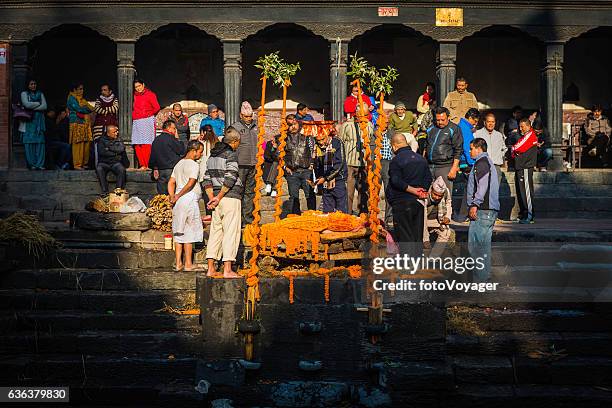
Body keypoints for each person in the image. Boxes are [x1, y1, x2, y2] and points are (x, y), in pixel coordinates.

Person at [202, 128, 243, 278]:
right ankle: (227, 269)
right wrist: (218, 197)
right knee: (231, 232)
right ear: (234, 141)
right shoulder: (230, 155)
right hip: (229, 197)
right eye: (238, 142)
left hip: (217, 200)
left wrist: (212, 197)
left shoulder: (212, 157)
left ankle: (211, 268)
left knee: (216, 232)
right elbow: (231, 177)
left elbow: (206, 179)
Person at [387, 132, 432, 255]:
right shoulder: (421, 159)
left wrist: (413, 190)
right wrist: (422, 190)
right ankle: (417, 263)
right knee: (417, 235)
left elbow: (396, 181)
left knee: (405, 236)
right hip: (418, 202)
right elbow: (428, 178)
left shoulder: (396, 161)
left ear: (394, 146)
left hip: (401, 202)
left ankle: (407, 267)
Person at [169, 140, 205, 272]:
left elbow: (171, 182)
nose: (201, 155)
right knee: (189, 231)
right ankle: (188, 263)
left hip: (178, 202)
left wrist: (172, 196)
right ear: (194, 151)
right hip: (188, 199)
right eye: (200, 152)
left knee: (179, 231)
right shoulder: (193, 164)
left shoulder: (178, 164)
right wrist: (177, 196)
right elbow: (191, 183)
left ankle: (178, 263)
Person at [466, 138, 499, 282]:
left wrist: (475, 204)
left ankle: (480, 279)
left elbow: (483, 186)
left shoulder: (482, 163)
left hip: (483, 210)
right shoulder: (485, 162)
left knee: (476, 246)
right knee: (483, 246)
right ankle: (484, 277)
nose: (469, 151)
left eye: (471, 148)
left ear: (479, 149)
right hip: (487, 210)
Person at [423, 107, 463, 210]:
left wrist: (454, 168)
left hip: (445, 166)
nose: (440, 122)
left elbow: (458, 150)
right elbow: (425, 146)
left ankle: (444, 221)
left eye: (442, 120)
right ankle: (430, 219)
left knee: (445, 195)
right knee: (429, 194)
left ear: (448, 118)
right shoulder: (431, 128)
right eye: (438, 120)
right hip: (430, 165)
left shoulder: (454, 129)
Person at [339, 104, 372, 214]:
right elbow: (340, 142)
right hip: (350, 162)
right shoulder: (347, 125)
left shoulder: (370, 125)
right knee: (349, 191)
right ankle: (347, 213)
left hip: (364, 163)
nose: (364, 117)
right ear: (356, 114)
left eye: (366, 115)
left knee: (364, 191)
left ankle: (362, 213)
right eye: (362, 115)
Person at [231, 101, 258, 226]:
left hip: (253, 164)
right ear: (241, 115)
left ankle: (247, 219)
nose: (248, 119)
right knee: (238, 192)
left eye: (250, 116)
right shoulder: (235, 127)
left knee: (250, 192)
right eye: (246, 116)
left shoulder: (257, 127)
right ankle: (237, 218)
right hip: (240, 164)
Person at [282, 114, 315, 215]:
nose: (293, 126)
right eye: (290, 124)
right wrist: (284, 167)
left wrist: (312, 164)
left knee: (310, 194)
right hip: (292, 172)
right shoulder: (283, 139)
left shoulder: (307, 138)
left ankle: (312, 216)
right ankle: (296, 217)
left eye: (295, 124)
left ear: (298, 124)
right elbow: (278, 155)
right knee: (293, 196)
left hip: (306, 171)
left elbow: (314, 151)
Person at [310, 126, 348, 213]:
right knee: (327, 209)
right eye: (318, 140)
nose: (321, 142)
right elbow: (318, 164)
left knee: (341, 208)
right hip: (325, 181)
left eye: (323, 139)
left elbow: (340, 163)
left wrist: (327, 178)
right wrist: (320, 178)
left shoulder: (337, 142)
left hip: (338, 178)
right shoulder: (317, 146)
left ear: (327, 135)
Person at [455, 108, 480, 222]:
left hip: (465, 161)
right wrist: (472, 162)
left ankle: (464, 214)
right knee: (470, 189)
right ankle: (463, 214)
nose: (476, 123)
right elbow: (467, 147)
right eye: (475, 121)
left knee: (469, 188)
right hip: (467, 162)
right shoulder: (465, 129)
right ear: (471, 118)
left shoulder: (463, 126)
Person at [512, 118, 538, 224]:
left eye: (522, 126)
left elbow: (517, 147)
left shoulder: (530, 135)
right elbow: (516, 149)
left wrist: (514, 151)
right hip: (521, 166)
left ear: (528, 126)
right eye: (519, 126)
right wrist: (514, 151)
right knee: (521, 191)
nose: (520, 128)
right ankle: (523, 213)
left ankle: (529, 215)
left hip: (526, 166)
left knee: (526, 191)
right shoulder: (525, 136)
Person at [150, 120, 185, 195]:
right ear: (169, 128)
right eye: (174, 128)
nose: (175, 130)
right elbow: (182, 150)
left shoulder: (156, 140)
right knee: (172, 193)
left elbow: (153, 156)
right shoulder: (171, 139)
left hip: (160, 170)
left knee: (162, 195)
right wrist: (178, 139)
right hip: (171, 170)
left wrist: (155, 168)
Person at [132, 78, 160, 170]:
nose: (138, 88)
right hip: (136, 120)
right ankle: (142, 164)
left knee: (147, 143)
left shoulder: (150, 95)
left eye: (139, 86)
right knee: (137, 143)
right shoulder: (133, 96)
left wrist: (147, 114)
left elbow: (156, 107)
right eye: (135, 87)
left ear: (143, 85)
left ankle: (148, 164)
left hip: (147, 120)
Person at [19, 79, 47, 170]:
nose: (33, 85)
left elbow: (45, 106)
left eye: (35, 84)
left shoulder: (40, 93)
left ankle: (40, 164)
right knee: (29, 143)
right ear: (28, 85)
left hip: (39, 123)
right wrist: (38, 103)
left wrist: (32, 107)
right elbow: (26, 105)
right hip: (28, 122)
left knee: (40, 143)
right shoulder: (24, 94)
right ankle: (32, 164)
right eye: (31, 84)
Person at [474, 112, 507, 187]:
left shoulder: (499, 135)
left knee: (494, 191)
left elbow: (504, 148)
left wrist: (499, 156)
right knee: (482, 191)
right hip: (482, 166)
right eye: (489, 121)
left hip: (495, 166)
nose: (491, 124)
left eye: (493, 122)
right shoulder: (477, 134)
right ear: (484, 122)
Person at [423, 176, 452, 257]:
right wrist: (425, 239)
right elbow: (423, 218)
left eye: (440, 196)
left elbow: (448, 202)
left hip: (437, 219)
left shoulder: (446, 192)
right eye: (435, 194)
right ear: (431, 190)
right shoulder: (425, 195)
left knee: (446, 232)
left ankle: (433, 258)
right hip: (424, 220)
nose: (437, 197)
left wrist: (448, 217)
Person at [67, 82, 94, 170]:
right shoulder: (71, 98)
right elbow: (78, 108)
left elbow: (91, 108)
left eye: (82, 89)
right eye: (80, 89)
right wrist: (86, 109)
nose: (82, 91)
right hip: (76, 123)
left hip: (84, 124)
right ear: (74, 90)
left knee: (85, 143)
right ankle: (77, 164)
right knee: (78, 143)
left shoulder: (83, 100)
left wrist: (85, 109)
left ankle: (84, 164)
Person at [95, 125, 128, 195]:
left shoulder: (119, 139)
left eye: (117, 131)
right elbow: (102, 152)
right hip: (104, 162)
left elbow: (121, 149)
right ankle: (105, 191)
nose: (117, 133)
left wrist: (109, 148)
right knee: (99, 168)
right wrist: (115, 153)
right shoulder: (101, 140)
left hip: (115, 163)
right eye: (114, 132)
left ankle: (118, 190)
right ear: (108, 133)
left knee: (121, 169)